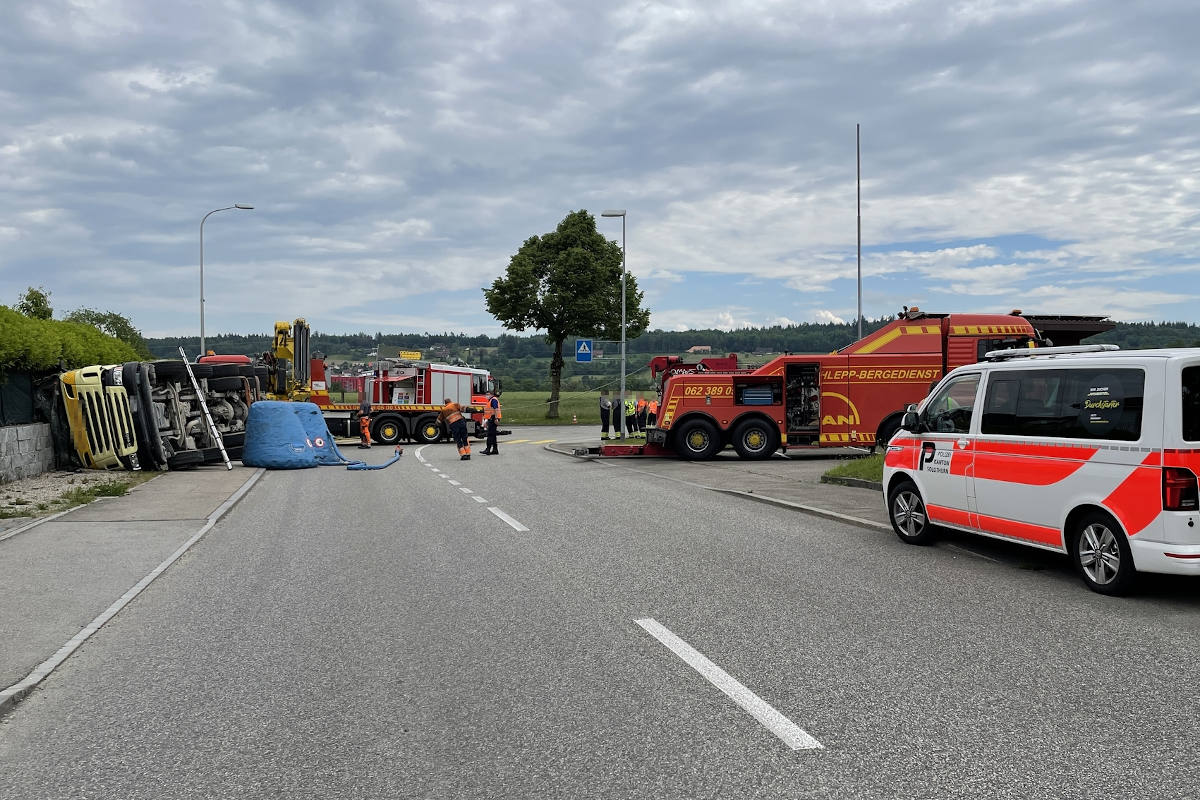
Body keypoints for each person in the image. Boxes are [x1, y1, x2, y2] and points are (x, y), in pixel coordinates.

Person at [481, 389, 501, 455]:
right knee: (493, 435)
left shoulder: (493, 400)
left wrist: (496, 418)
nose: (486, 396)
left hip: (493, 418)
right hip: (492, 418)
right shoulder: (491, 400)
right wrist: (486, 421)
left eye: (488, 394)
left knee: (490, 434)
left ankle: (488, 449)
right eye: (486, 394)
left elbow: (495, 409)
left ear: (491, 394)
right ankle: (495, 450)